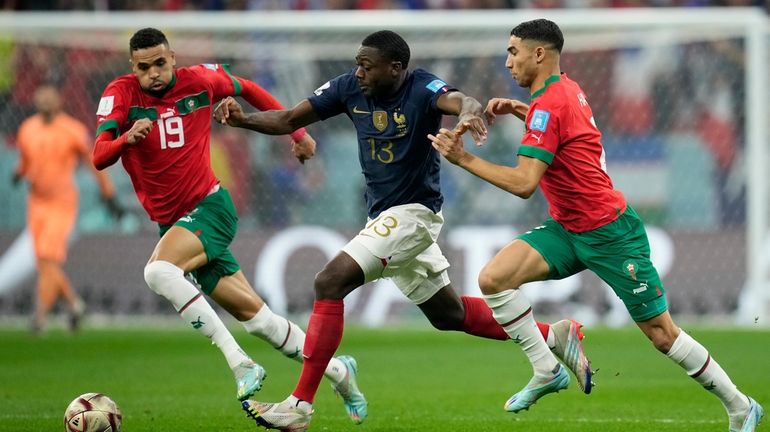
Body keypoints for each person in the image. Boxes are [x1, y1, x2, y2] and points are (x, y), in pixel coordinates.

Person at [214, 29, 592, 431]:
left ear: (395, 68)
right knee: (449, 314)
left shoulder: (421, 87)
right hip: (383, 219)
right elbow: (290, 118)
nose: (358, 72)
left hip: (414, 215)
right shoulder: (347, 88)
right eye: (357, 63)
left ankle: (299, 405)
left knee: (330, 281)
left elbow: (463, 100)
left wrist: (466, 113)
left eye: (367, 65)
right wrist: (244, 119)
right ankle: (555, 336)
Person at [428, 18, 764, 431]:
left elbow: (523, 184)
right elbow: (564, 132)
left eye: (513, 51)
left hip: (610, 233)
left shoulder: (551, 103)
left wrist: (463, 159)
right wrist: (521, 110)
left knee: (662, 335)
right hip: (568, 229)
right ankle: (548, 367)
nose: (507, 61)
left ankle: (740, 405)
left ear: (539, 54)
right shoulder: (562, 90)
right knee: (494, 278)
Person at [91, 28, 367, 423]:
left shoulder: (199, 80)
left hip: (210, 208)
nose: (153, 73)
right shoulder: (120, 95)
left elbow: (249, 88)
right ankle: (341, 373)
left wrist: (299, 134)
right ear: (131, 67)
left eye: (160, 63)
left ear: (173, 57)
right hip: (174, 225)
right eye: (143, 67)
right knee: (260, 321)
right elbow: (99, 156)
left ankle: (240, 364)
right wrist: (125, 140)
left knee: (158, 271)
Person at [13, 83, 122, 334]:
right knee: (43, 260)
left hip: (61, 202)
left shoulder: (72, 130)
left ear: (59, 100)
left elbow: (93, 161)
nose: (45, 101)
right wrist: (18, 174)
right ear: (35, 99)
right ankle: (74, 305)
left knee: (48, 257)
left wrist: (108, 193)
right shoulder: (27, 129)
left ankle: (39, 317)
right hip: (36, 202)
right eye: (41, 96)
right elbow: (25, 161)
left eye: (50, 97)